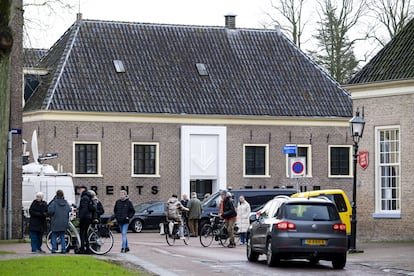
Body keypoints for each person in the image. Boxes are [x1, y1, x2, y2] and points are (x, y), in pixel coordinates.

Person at [78, 185, 96, 254]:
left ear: (83, 189)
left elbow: (84, 209)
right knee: (85, 233)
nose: (79, 191)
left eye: (80, 189)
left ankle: (82, 249)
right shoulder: (88, 196)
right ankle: (87, 249)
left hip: (84, 218)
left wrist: (80, 218)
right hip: (88, 217)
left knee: (82, 233)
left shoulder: (84, 197)